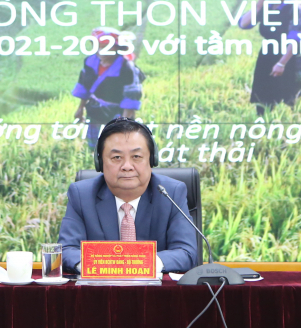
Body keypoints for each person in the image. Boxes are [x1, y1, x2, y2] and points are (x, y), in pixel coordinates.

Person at [57, 117, 198, 274]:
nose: (127, 167)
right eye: (116, 158)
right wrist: (99, 266)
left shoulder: (170, 193)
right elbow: (67, 250)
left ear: (152, 159)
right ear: (100, 163)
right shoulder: (82, 195)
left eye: (136, 157)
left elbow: (186, 253)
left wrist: (138, 264)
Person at [238, 0, 301, 115]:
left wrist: (281, 63)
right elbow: (243, 24)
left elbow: (296, 39)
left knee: (291, 100)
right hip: (266, 57)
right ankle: (263, 128)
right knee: (263, 99)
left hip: (288, 58)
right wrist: (258, 6)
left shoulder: (295, 9)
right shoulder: (266, 7)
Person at [71, 27, 143, 147]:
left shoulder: (126, 68)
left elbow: (132, 96)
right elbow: (84, 84)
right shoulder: (90, 62)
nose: (101, 50)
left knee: (116, 145)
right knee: (93, 143)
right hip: (95, 109)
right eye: (97, 46)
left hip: (118, 112)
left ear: (116, 48)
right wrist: (80, 108)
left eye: (106, 46)